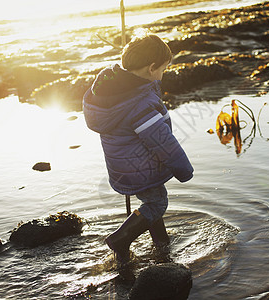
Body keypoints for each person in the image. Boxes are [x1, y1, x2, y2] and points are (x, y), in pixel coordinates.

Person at [83, 33, 194, 265]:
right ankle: (121, 239)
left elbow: (139, 83)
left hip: (125, 163)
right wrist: (184, 170)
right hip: (141, 163)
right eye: (163, 69)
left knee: (152, 200)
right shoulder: (139, 105)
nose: (163, 75)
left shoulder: (110, 87)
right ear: (151, 68)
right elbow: (163, 142)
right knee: (157, 203)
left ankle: (161, 243)